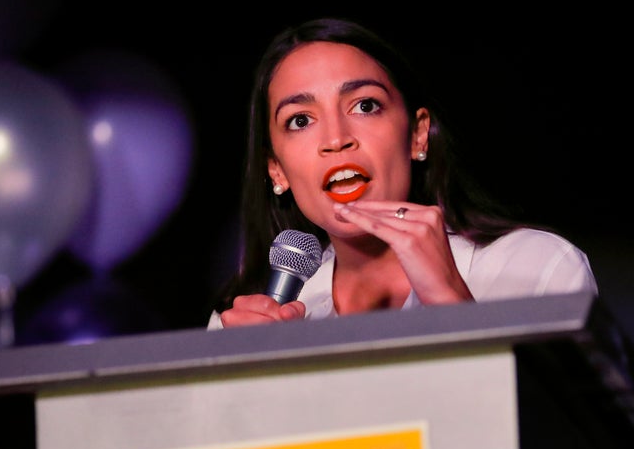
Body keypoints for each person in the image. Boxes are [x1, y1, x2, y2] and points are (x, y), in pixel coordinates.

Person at [207, 17, 598, 330]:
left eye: (364, 106)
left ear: (417, 134)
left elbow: (553, 428)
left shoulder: (534, 268)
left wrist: (450, 302)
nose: (337, 139)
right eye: (301, 119)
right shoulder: (245, 324)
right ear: (277, 170)